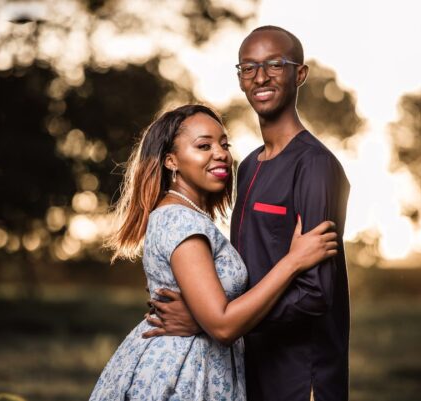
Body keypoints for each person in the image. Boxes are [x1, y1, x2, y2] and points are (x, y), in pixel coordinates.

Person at [144, 27, 351, 401]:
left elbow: (316, 293)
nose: (260, 77)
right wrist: (218, 320)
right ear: (240, 78)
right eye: (249, 67)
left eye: (275, 64)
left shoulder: (315, 165)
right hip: (249, 364)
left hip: (302, 375)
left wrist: (209, 323)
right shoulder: (249, 165)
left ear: (299, 74)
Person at [89, 104, 338, 400]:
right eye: (203, 146)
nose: (220, 153)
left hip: (200, 365)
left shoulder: (188, 217)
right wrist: (293, 262)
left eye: (223, 144)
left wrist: (200, 321)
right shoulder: (180, 220)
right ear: (172, 161)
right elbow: (222, 325)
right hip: (183, 374)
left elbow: (215, 317)